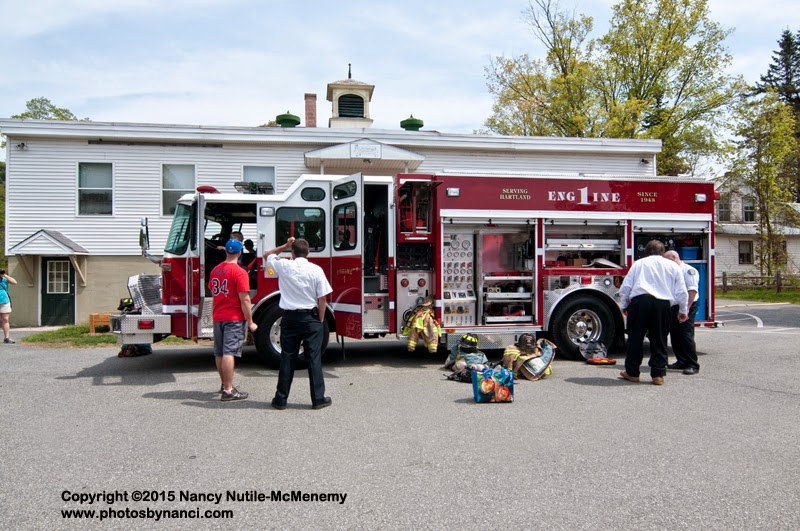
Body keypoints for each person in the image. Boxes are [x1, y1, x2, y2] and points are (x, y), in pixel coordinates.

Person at [265, 237, 333, 410]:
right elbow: (322, 298)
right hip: (311, 318)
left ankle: (280, 399)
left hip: (290, 318)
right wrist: (320, 319)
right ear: (308, 251)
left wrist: (285, 245)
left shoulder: (284, 265)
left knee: (287, 358)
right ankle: (318, 399)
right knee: (313, 359)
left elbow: (267, 255)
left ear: (293, 253)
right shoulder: (316, 269)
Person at [618, 240, 688, 386]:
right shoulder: (673, 266)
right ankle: (658, 374)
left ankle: (632, 372)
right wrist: (683, 310)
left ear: (646, 251)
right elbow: (682, 290)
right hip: (663, 304)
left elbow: (626, 286)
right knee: (660, 339)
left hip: (640, 302)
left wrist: (624, 305)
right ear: (663, 252)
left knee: (635, 338)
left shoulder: (639, 263)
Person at [209, 238, 258, 401]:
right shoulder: (239, 272)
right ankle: (228, 391)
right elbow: (245, 299)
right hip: (234, 318)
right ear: (239, 252)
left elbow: (213, 293)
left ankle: (225, 384)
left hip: (218, 316)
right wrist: (250, 321)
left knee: (219, 352)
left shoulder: (215, 270)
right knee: (229, 352)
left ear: (226, 251)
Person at [663, 250, 700, 375]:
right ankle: (681, 361)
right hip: (674, 306)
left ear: (674, 257)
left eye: (667, 260)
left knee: (685, 335)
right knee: (675, 335)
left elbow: (692, 291)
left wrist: (686, 309)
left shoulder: (689, 271)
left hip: (687, 305)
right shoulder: (672, 271)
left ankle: (692, 364)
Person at [0, 270, 18, 343]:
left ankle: (7, 337)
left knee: (5, 319)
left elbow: (14, 282)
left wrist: (4, 275)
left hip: (4, 300)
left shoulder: (4, 279)